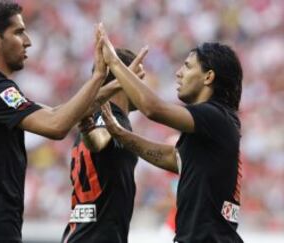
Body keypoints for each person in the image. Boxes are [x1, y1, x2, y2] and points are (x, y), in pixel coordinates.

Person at [0, 1, 111, 242]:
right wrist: (98, 77)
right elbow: (56, 125)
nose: (28, 41)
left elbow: (57, 113)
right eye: (19, 32)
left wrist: (114, 87)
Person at [99, 25, 244, 243]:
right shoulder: (213, 125)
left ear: (208, 77)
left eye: (187, 67)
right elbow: (173, 158)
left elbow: (153, 109)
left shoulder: (215, 116)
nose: (178, 73)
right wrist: (122, 135)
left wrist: (114, 64)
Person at [61, 48, 146, 243]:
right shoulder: (109, 119)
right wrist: (89, 132)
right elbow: (98, 141)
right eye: (138, 78)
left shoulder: (98, 119)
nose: (142, 87)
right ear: (124, 80)